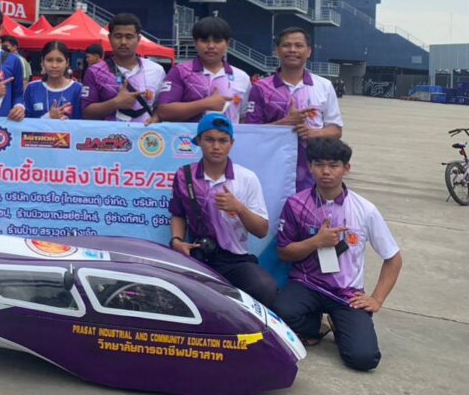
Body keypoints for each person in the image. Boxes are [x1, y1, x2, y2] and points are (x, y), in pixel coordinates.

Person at [273, 138, 402, 371]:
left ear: (346, 168)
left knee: (364, 359)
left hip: (347, 294)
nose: (326, 172)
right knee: (279, 312)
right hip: (307, 285)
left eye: (333, 165)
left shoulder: (365, 210)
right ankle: (315, 326)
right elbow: (284, 252)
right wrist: (316, 242)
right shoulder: (296, 204)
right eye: (319, 164)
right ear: (310, 167)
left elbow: (393, 258)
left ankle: (338, 322)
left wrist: (377, 299)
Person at [167, 114, 278, 307]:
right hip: (198, 255)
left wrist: (239, 208)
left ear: (231, 144)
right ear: (199, 141)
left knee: (265, 288)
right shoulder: (184, 175)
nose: (216, 146)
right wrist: (177, 241)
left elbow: (261, 230)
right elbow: (178, 213)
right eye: (209, 140)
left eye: (222, 140)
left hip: (234, 260)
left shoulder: (246, 178)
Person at [245, 27, 343, 190]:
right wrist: (285, 123)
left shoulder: (324, 86)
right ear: (277, 51)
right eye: (286, 45)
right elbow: (251, 133)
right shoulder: (261, 88)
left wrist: (313, 133)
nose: (292, 50)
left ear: (309, 51)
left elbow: (336, 130)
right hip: (271, 165)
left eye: (298, 45)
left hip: (311, 168)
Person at [156, 16, 250, 123]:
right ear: (195, 43)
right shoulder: (180, 71)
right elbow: (164, 112)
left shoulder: (242, 77)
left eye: (217, 41)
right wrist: (205, 104)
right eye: (204, 41)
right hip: (188, 134)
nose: (211, 46)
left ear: (227, 43)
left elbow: (244, 118)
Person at [81, 13, 165, 124]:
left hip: (145, 134)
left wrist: (157, 117)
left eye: (129, 37)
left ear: (138, 39)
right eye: (118, 36)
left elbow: (162, 107)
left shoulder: (156, 70)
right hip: (109, 134)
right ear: (109, 38)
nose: (123, 42)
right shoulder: (95, 72)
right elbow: (86, 112)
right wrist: (115, 103)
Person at [20, 41, 83, 120]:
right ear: (42, 62)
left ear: (67, 63)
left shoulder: (78, 89)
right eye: (49, 60)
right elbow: (25, 122)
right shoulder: (32, 88)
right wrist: (48, 117)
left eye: (59, 60)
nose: (54, 65)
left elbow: (83, 122)